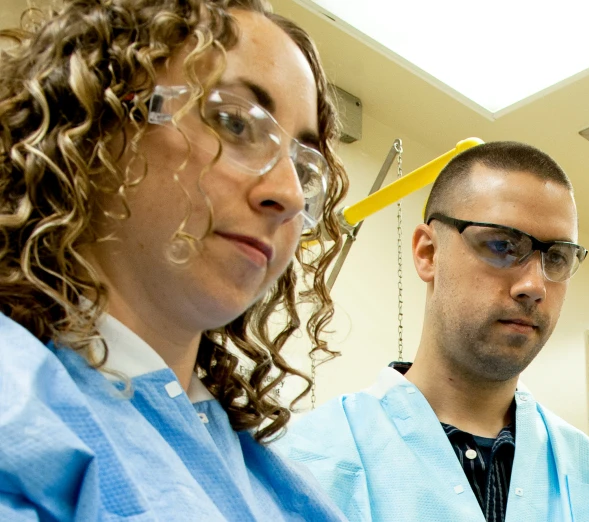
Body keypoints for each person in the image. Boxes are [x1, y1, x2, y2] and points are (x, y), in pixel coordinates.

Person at [0, 1, 350, 520]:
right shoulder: (20, 408)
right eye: (234, 123)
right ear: (96, 119)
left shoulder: (277, 489)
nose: (290, 195)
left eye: (304, 167)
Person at [277, 142, 589, 521]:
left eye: (556, 257)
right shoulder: (308, 462)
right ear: (428, 253)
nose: (534, 285)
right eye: (503, 245)